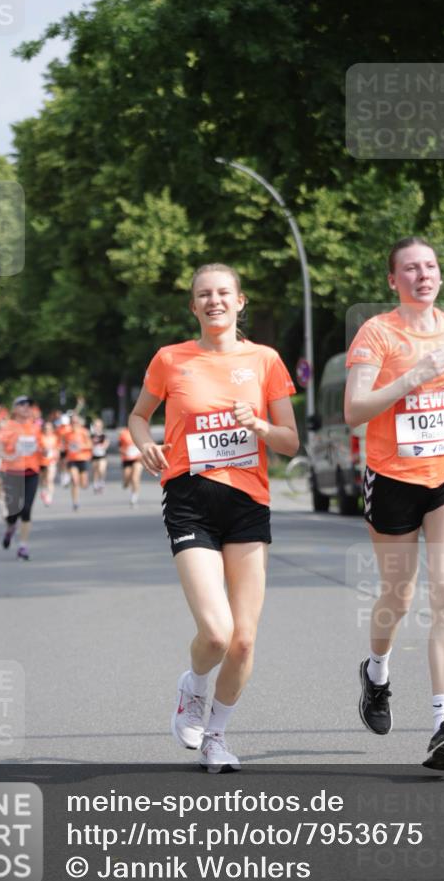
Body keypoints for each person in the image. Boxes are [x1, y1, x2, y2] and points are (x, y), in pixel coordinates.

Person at [129, 263, 299, 773]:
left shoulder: (265, 360)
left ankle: (217, 736)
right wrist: (144, 445)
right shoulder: (170, 359)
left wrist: (261, 425)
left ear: (240, 301)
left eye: (223, 293)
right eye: (204, 295)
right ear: (193, 306)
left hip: (248, 503)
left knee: (245, 638)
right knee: (218, 633)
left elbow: (290, 441)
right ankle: (193, 686)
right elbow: (139, 415)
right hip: (189, 499)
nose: (214, 301)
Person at [344, 237, 444, 770]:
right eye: (410, 268)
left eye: (430, 266)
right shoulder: (377, 333)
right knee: (399, 596)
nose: (423, 275)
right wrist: (409, 377)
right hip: (391, 477)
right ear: (393, 281)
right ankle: (377, 672)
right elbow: (354, 409)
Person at [0, 396, 44, 561]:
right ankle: (10, 528)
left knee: (26, 509)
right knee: (13, 511)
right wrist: (8, 457)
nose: (27, 408)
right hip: (12, 473)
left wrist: (44, 451)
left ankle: (23, 546)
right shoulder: (8, 427)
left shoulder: (35, 428)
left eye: (29, 405)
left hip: (32, 471)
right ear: (15, 408)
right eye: (23, 405)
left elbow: (41, 447)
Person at [64, 413, 92, 510]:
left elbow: (90, 445)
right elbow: (64, 445)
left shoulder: (84, 432)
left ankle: (84, 483)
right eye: (72, 422)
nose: (74, 423)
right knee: (75, 481)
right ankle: (75, 502)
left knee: (83, 484)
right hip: (72, 460)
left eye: (76, 422)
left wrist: (81, 447)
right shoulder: (67, 434)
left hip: (83, 459)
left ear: (79, 422)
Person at [117, 426, 143, 506]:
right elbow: (120, 447)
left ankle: (134, 497)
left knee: (135, 478)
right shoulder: (123, 433)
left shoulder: (141, 432)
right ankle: (126, 483)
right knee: (127, 477)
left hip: (138, 458)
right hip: (127, 458)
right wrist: (124, 452)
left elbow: (145, 445)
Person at [39, 420, 60, 505]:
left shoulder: (55, 438)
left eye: (49, 428)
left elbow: (57, 448)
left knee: (50, 479)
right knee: (43, 480)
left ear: (52, 429)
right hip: (41, 462)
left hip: (51, 461)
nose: (47, 430)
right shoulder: (40, 437)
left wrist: (56, 455)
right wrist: (43, 451)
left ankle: (49, 497)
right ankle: (44, 491)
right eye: (45, 428)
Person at [90, 417, 110, 493]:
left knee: (101, 469)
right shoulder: (91, 435)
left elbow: (106, 444)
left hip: (102, 456)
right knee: (95, 470)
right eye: (96, 425)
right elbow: (88, 444)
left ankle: (101, 481)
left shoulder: (104, 435)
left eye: (99, 426)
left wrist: (103, 446)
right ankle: (95, 483)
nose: (97, 427)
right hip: (94, 456)